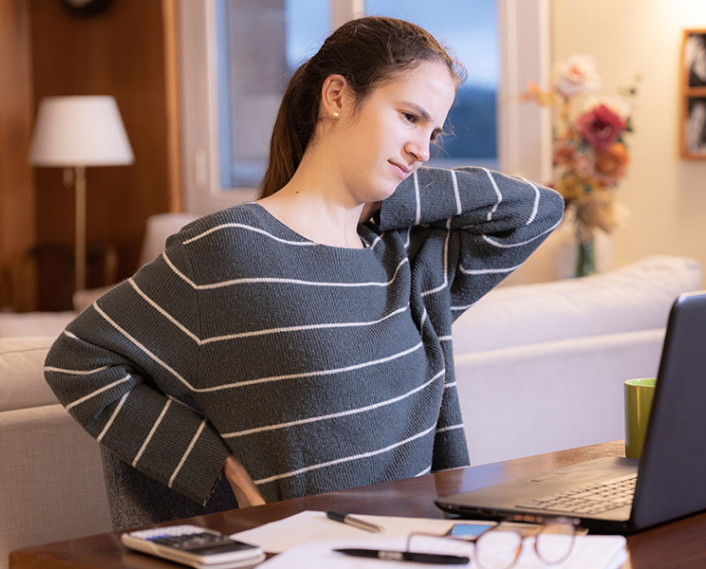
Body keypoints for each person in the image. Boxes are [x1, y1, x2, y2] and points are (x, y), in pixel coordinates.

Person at [43, 16, 563, 530]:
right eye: (409, 117)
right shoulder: (228, 250)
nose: (423, 151)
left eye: (434, 132)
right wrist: (217, 467)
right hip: (306, 553)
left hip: (430, 543)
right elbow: (78, 361)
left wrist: (385, 198)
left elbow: (536, 209)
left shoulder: (405, 261)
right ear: (336, 96)